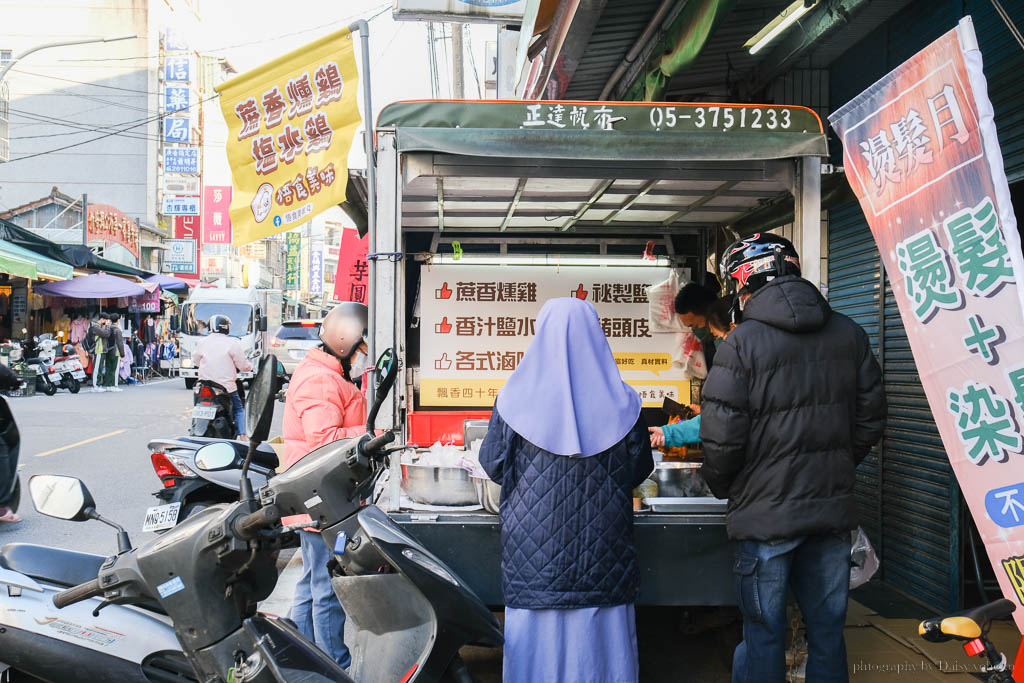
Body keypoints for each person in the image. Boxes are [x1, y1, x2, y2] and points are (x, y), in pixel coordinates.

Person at [698, 233, 886, 682]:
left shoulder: (740, 346)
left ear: (743, 285)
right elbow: (870, 422)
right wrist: (834, 468)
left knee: (764, 632)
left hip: (764, 521)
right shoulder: (850, 334)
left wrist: (729, 488)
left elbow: (722, 441)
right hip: (830, 515)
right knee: (827, 634)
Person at [479, 298, 653, 683]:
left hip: (534, 552)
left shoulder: (512, 400)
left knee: (536, 647)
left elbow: (491, 465)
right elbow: (640, 470)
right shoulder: (626, 402)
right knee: (602, 647)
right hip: (603, 548)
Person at [281, 302, 371, 669]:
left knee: (310, 580)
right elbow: (325, 441)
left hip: (317, 494)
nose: (367, 357)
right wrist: (372, 435)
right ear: (344, 342)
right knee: (328, 584)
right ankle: (335, 664)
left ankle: (301, 659)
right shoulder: (322, 380)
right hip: (320, 496)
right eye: (364, 349)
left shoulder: (331, 373)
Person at [649, 297, 737, 449]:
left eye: (718, 336)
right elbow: (722, 416)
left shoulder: (740, 367)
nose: (720, 343)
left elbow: (725, 417)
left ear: (733, 327)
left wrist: (669, 433)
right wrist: (668, 433)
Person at [192, 315, 252, 440]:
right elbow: (242, 364)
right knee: (239, 408)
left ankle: (194, 426)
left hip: (204, 386)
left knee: (197, 405)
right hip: (226, 387)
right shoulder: (232, 343)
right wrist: (249, 367)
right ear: (225, 328)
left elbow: (196, 361)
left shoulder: (202, 342)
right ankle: (243, 436)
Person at [674, 280, 720, 367]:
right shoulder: (709, 345)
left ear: (707, 312)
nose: (694, 331)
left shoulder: (731, 339)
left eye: (694, 326)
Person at [86, 314, 112, 393]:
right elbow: (106, 334)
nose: (106, 322)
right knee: (97, 368)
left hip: (102, 350)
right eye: (105, 320)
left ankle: (99, 385)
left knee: (100, 368)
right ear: (102, 319)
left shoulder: (99, 326)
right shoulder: (95, 327)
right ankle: (95, 386)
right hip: (98, 350)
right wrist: (107, 326)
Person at [105, 313, 127, 392]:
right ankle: (114, 385)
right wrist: (122, 354)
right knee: (114, 369)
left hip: (108, 350)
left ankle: (108, 385)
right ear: (117, 320)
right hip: (115, 351)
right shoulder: (117, 330)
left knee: (108, 368)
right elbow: (120, 343)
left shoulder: (107, 328)